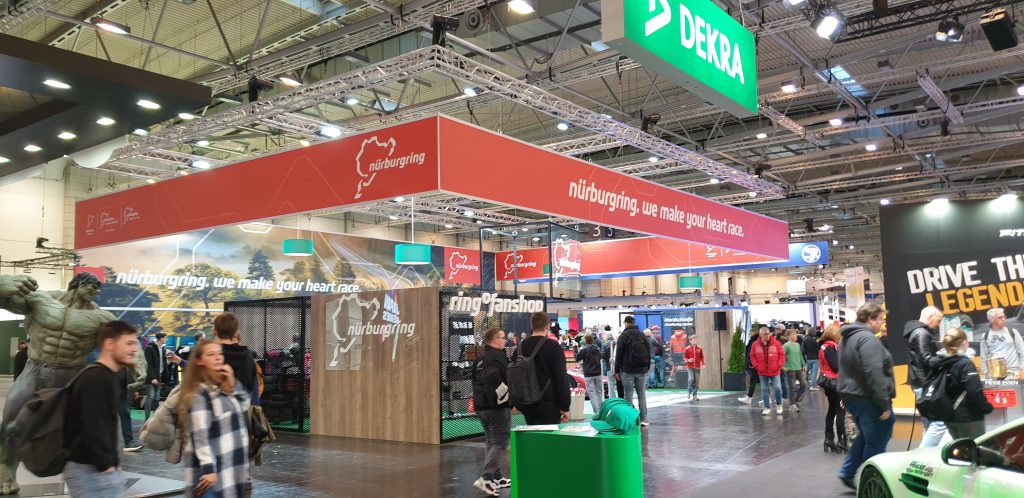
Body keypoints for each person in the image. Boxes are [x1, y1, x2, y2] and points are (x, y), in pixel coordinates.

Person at [0, 272, 115, 495]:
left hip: (70, 375)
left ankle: (81, 474)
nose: (95, 291)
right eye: (91, 286)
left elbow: (121, 338)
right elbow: (6, 302)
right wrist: (2, 284)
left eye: (97, 288)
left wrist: (138, 364)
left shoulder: (100, 316)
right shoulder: (41, 298)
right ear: (78, 285)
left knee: (80, 429)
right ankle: (6, 467)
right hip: (35, 370)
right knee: (11, 420)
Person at [64, 321, 140, 498]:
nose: (134, 349)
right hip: (90, 471)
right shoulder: (95, 378)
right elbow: (93, 427)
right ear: (109, 344)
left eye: (135, 343)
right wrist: (107, 466)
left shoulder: (107, 376)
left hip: (97, 470)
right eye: (129, 343)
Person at [178, 340, 250, 498]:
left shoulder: (220, 387)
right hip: (213, 476)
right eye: (211, 354)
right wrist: (208, 469)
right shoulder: (201, 392)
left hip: (229, 469)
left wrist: (232, 383)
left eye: (220, 354)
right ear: (199, 360)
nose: (218, 358)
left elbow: (244, 405)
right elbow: (200, 434)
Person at [837, 303, 896, 490]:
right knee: (877, 440)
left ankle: (848, 471)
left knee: (866, 436)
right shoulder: (868, 339)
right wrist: (884, 404)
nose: (881, 324)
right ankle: (871, 483)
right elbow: (873, 373)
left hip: (852, 395)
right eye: (880, 319)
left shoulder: (848, 337)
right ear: (870, 319)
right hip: (867, 398)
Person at [933, 328, 995, 440]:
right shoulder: (965, 364)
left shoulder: (940, 362)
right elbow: (974, 390)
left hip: (949, 415)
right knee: (975, 447)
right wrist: (986, 407)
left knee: (960, 447)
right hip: (969, 416)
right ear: (965, 342)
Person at [472, 327, 511, 496]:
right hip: (496, 407)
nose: (505, 341)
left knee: (491, 441)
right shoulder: (499, 357)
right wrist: (506, 398)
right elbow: (499, 380)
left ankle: (497, 477)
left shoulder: (479, 359)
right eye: (503, 338)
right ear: (495, 339)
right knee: (500, 442)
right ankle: (486, 477)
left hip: (481, 407)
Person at [518, 312, 571, 425]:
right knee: (547, 436)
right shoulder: (553, 347)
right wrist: (565, 406)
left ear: (531, 326)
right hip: (548, 403)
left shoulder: (520, 347)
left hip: (526, 403)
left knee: (531, 434)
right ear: (547, 326)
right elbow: (561, 378)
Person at [905, 306, 946, 448]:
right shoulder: (921, 333)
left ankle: (925, 455)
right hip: (925, 383)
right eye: (938, 320)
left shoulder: (919, 332)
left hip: (922, 382)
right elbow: (926, 359)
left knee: (929, 424)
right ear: (930, 316)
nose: (939, 324)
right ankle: (921, 454)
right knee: (938, 423)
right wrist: (947, 358)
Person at [213, 313, 259, 403]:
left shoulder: (211, 358)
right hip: (243, 409)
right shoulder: (249, 358)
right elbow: (254, 392)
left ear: (214, 331)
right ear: (236, 333)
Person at [616, 316, 651, 427]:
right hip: (641, 369)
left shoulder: (623, 336)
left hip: (627, 370)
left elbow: (618, 355)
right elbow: (648, 352)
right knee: (641, 394)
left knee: (628, 394)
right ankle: (644, 419)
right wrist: (647, 367)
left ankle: (629, 419)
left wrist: (616, 371)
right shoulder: (642, 335)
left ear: (626, 323)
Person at [818, 325, 845, 452]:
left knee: (832, 410)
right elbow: (836, 366)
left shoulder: (824, 346)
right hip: (835, 383)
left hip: (828, 382)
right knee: (841, 410)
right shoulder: (831, 347)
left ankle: (829, 439)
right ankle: (842, 441)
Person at [979, 307, 1024, 379]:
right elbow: (984, 357)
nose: (1003, 319)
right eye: (999, 317)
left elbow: (1022, 351)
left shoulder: (1012, 332)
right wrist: (986, 375)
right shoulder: (985, 336)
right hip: (995, 374)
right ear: (992, 320)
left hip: (1013, 373)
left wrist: (1022, 367)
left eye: (1004, 317)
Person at [750, 326, 786, 416]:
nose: (767, 335)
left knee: (777, 388)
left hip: (775, 370)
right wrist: (757, 366)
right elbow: (752, 356)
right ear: (760, 335)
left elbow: (782, 355)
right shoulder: (755, 345)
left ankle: (779, 404)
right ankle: (767, 407)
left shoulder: (776, 343)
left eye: (768, 333)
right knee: (764, 389)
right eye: (765, 334)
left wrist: (778, 365)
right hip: (762, 371)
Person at [575, 333, 604, 413]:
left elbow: (577, 358)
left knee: (592, 393)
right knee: (598, 392)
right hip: (598, 373)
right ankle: (601, 411)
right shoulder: (597, 348)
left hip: (588, 373)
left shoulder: (585, 349)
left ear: (585, 340)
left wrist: (575, 348)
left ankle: (596, 411)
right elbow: (600, 357)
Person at [144, 332, 169, 420]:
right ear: (161, 338)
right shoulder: (150, 348)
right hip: (151, 377)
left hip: (159, 376)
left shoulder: (162, 349)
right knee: (150, 396)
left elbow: (162, 363)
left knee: (156, 397)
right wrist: (152, 378)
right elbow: (148, 364)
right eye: (165, 338)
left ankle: (155, 417)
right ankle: (147, 417)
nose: (166, 339)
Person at [783, 329, 807, 412]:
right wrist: (783, 367)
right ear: (788, 336)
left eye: (795, 334)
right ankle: (792, 404)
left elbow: (800, 355)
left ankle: (795, 399)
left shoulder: (797, 345)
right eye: (793, 334)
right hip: (790, 369)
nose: (795, 336)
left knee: (804, 384)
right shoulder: (786, 346)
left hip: (798, 368)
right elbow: (781, 357)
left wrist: (804, 364)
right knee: (792, 387)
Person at [737, 329, 760, 404]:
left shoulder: (755, 341)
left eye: (751, 333)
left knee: (758, 381)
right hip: (753, 364)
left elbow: (752, 353)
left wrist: (752, 363)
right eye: (749, 333)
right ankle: (749, 397)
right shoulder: (752, 341)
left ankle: (749, 397)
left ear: (755, 333)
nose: (749, 334)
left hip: (755, 364)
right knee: (754, 381)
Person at [683, 336, 705, 401]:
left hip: (697, 367)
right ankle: (689, 392)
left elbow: (702, 357)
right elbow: (684, 358)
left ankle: (695, 395)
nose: (695, 341)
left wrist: (703, 364)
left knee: (696, 382)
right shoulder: (687, 349)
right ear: (690, 341)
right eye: (694, 339)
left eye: (696, 339)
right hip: (690, 367)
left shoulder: (700, 348)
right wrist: (688, 360)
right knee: (691, 379)